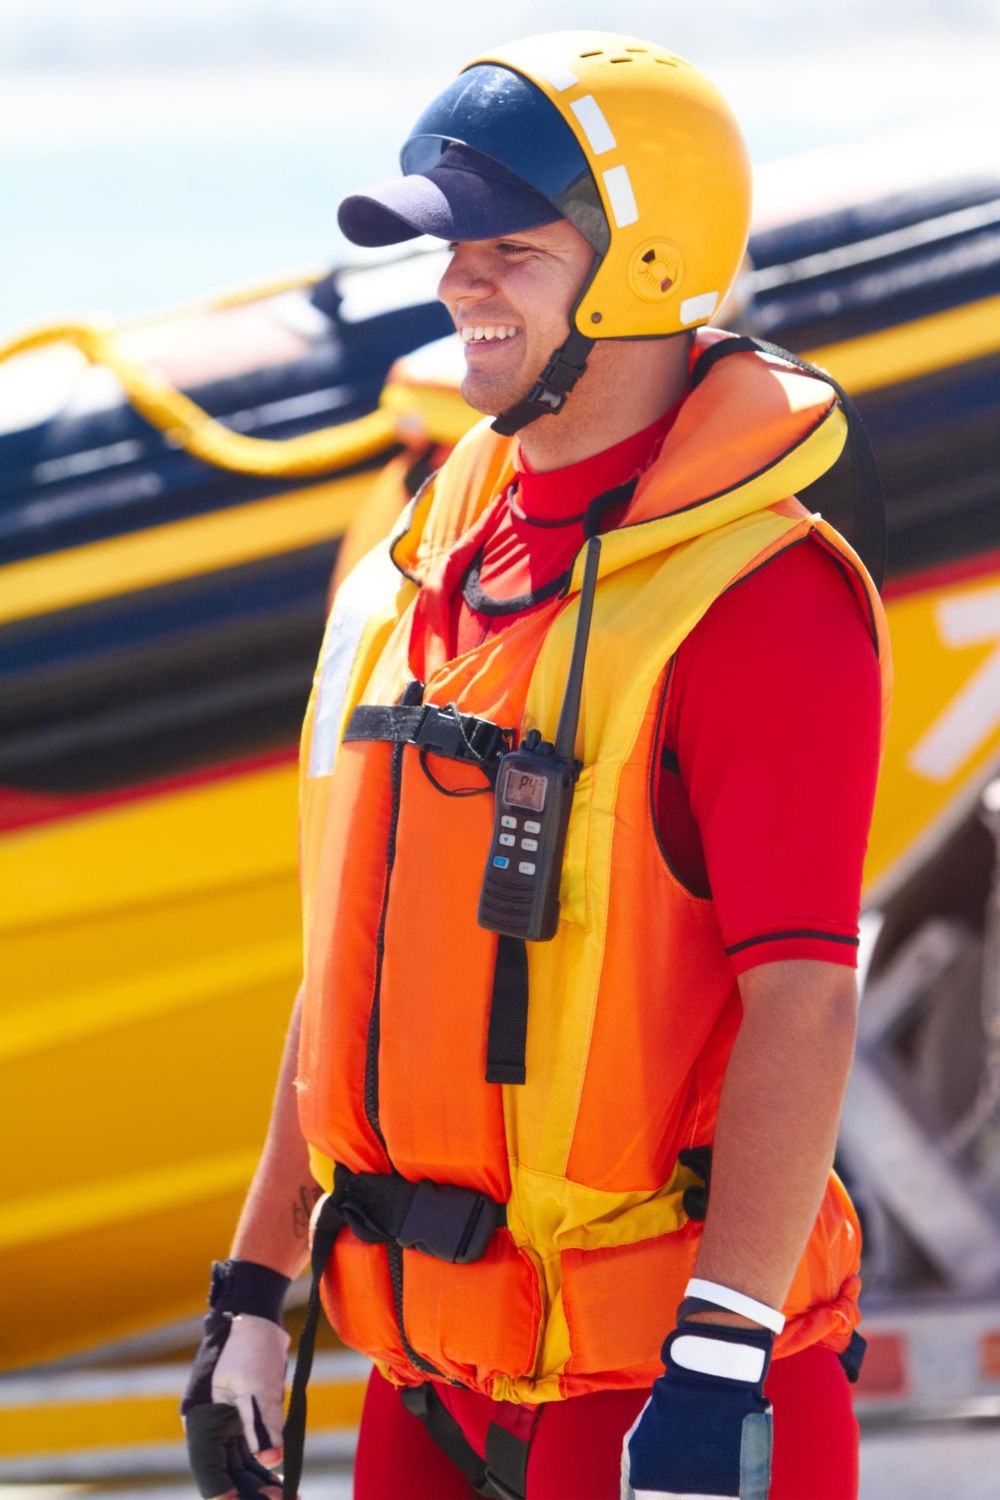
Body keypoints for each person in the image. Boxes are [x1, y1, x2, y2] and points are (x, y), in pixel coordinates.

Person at [182, 31, 890, 1500]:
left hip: (651, 1399)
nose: (459, 286)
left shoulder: (762, 605)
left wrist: (721, 1355)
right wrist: (254, 1289)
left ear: (640, 267)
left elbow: (806, 1000)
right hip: (427, 1378)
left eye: (508, 249)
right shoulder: (423, 569)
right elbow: (351, 972)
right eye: (455, 252)